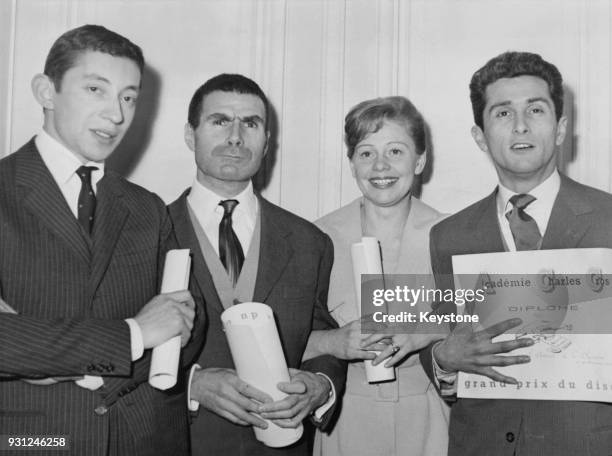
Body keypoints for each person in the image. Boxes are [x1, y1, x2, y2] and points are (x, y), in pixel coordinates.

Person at [0, 25, 199, 456]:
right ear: (46, 91)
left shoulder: (147, 208)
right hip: (32, 441)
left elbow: (185, 325)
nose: (117, 114)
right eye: (96, 89)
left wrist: (44, 354)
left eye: (129, 97)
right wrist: (131, 336)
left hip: (142, 440)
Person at [420, 51, 612, 455]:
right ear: (480, 135)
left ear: (561, 129)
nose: (521, 125)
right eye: (503, 113)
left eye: (536, 110)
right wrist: (442, 357)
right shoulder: (449, 236)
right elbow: (437, 337)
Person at [168, 73, 346, 455]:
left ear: (267, 142)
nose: (235, 137)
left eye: (250, 124)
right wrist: (191, 385)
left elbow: (323, 339)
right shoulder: (147, 234)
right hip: (181, 441)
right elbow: (119, 349)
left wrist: (319, 386)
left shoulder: (308, 241)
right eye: (219, 121)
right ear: (190, 134)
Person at [303, 96, 450, 455]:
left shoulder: (452, 235)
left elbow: (485, 318)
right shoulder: (314, 239)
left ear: (420, 160)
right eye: (366, 153)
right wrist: (335, 341)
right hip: (345, 420)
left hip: (432, 418)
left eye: (396, 151)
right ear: (351, 163)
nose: (380, 165)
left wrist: (418, 331)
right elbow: (286, 336)